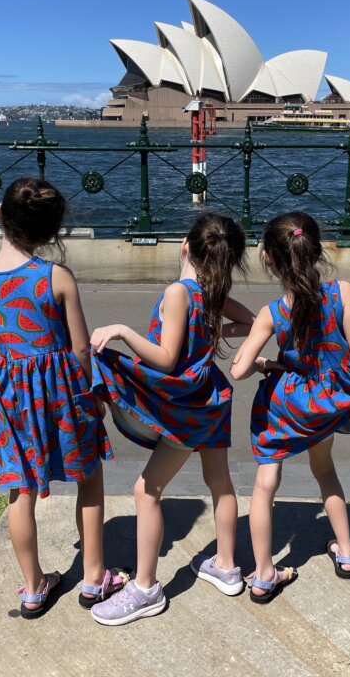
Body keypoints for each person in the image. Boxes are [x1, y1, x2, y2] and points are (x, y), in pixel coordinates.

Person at [230, 211, 350, 603]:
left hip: (285, 410)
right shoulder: (341, 291)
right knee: (324, 470)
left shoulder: (271, 314)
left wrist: (265, 362)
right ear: (316, 250)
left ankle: (264, 574)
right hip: (325, 405)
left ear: (268, 259)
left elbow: (240, 370)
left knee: (265, 485)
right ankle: (346, 552)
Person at [0, 176, 127, 619]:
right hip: (62, 392)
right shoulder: (56, 276)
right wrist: (92, 392)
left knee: (20, 489)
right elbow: (78, 348)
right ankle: (94, 577)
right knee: (88, 478)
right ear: (52, 232)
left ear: (0, 214)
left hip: (10, 396)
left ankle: (34, 587)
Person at [86, 212, 254, 626]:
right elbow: (250, 321)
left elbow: (166, 358)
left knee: (147, 491)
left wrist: (124, 331)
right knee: (220, 481)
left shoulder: (179, 292)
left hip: (188, 407)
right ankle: (227, 566)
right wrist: (215, 332)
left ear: (185, 244)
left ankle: (145, 589)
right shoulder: (211, 293)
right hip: (212, 398)